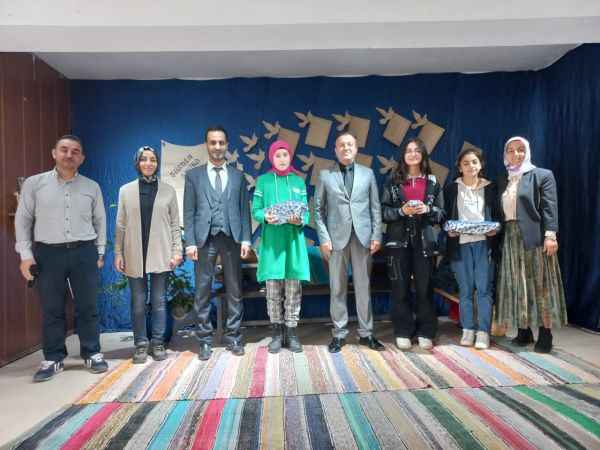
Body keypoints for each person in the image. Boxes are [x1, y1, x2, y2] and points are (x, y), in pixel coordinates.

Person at [15, 134, 108, 382]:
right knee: (51, 307)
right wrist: (26, 256)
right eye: (64, 150)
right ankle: (53, 357)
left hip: (84, 251)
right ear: (54, 153)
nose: (69, 155)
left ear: (82, 158)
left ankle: (92, 352)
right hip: (48, 253)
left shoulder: (92, 187)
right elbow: (23, 220)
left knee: (88, 306)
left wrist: (100, 252)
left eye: (75, 151)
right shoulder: (34, 184)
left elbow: (100, 220)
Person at [183, 126, 252, 360]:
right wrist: (190, 242)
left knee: (234, 289)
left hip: (232, 237)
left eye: (221, 142)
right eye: (213, 142)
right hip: (204, 239)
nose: (217, 147)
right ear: (207, 145)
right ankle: (204, 339)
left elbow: (244, 211)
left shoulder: (238, 176)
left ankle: (233, 336)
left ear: (227, 145)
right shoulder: (193, 176)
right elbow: (189, 211)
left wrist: (246, 238)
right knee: (202, 290)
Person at [494, 136, 566, 353]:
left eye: (520, 149)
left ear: (527, 152)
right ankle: (523, 330)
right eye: (510, 150)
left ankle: (545, 332)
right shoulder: (503, 179)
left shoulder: (542, 175)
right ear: (505, 154)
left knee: (540, 285)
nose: (515, 154)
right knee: (516, 283)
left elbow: (549, 207)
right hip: (510, 237)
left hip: (534, 237)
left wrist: (550, 235)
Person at [315, 131, 384, 353]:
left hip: (363, 239)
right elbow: (318, 210)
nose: (346, 148)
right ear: (335, 150)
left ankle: (366, 334)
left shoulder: (368, 174)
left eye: (350, 144)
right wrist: (324, 239)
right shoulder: (325, 175)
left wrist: (376, 235)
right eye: (342, 145)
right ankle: (339, 334)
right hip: (336, 241)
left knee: (364, 287)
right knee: (337, 288)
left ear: (356, 149)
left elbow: (375, 208)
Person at [114, 146, 182, 363]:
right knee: (138, 301)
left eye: (153, 159)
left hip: (161, 252)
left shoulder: (168, 191)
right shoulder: (125, 191)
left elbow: (175, 224)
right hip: (134, 253)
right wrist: (118, 252)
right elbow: (120, 225)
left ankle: (158, 342)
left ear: (157, 164)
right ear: (137, 163)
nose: (148, 163)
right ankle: (141, 344)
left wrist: (177, 251)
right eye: (144, 159)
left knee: (159, 300)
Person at [381, 138, 444, 351]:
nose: (413, 154)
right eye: (408, 150)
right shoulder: (392, 181)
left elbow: (442, 214)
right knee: (400, 288)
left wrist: (428, 210)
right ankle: (402, 330)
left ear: (423, 155)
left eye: (417, 150)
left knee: (425, 288)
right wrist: (402, 211)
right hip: (397, 243)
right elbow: (383, 212)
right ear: (403, 155)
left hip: (425, 243)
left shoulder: (433, 182)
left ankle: (426, 331)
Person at [252, 140, 310, 353]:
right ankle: (276, 333)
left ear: (290, 157)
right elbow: (255, 210)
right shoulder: (263, 181)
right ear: (272, 158)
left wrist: (300, 219)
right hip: (272, 244)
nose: (282, 159)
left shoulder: (298, 181)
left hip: (293, 243)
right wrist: (265, 216)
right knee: (273, 291)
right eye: (278, 155)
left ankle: (291, 332)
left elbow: (306, 213)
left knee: (293, 290)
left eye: (285, 155)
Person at [443, 147, 501, 349]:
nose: (470, 166)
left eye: (474, 162)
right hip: (460, 245)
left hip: (484, 244)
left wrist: (496, 229)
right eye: (466, 163)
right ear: (459, 167)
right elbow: (444, 216)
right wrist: (448, 229)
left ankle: (483, 332)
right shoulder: (451, 189)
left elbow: (499, 216)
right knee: (465, 290)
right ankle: (467, 329)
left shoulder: (491, 188)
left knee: (484, 289)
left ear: (481, 165)